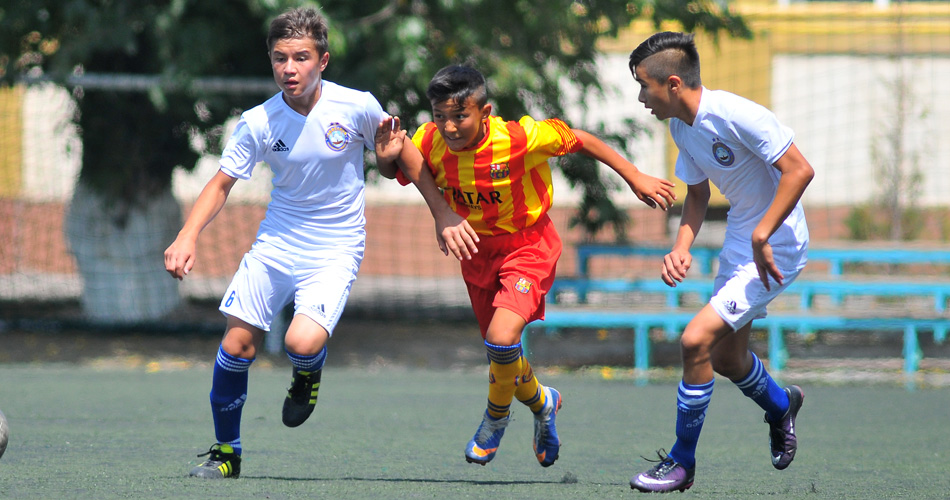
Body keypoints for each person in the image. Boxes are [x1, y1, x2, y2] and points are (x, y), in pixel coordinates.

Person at [377, 64, 676, 468]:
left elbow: (581, 139)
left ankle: (495, 418)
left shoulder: (519, 138)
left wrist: (634, 175)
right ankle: (543, 402)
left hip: (527, 245)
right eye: (440, 115)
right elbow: (400, 167)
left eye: (459, 116)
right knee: (503, 356)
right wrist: (386, 161)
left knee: (502, 339)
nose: (448, 126)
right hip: (476, 252)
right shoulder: (428, 140)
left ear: (485, 112)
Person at [163, 7, 405, 479]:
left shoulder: (358, 106)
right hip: (276, 243)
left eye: (300, 58)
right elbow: (220, 184)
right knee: (236, 345)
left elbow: (401, 160)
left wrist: (440, 213)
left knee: (300, 342)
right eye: (280, 58)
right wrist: (187, 235)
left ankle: (307, 372)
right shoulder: (259, 121)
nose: (289, 68)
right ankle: (226, 453)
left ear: (323, 60)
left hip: (336, 247)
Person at [625, 31, 815, 493]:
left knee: (695, 340)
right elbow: (697, 194)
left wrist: (762, 233)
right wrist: (681, 246)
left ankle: (681, 463)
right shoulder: (680, 126)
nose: (641, 97)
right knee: (728, 358)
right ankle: (781, 405)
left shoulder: (735, 114)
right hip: (742, 241)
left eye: (644, 86)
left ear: (673, 84)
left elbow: (800, 170)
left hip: (777, 244)